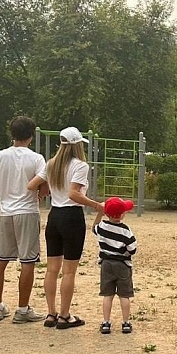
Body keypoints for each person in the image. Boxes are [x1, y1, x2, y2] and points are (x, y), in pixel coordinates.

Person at [28, 126, 104, 329]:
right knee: (68, 271)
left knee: (52, 269)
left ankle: (51, 313)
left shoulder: (51, 164)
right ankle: (64, 315)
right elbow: (74, 194)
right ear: (78, 145)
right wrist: (97, 205)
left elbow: (32, 185)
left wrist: (46, 189)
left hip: (54, 215)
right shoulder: (80, 165)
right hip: (71, 216)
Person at [0, 116, 46, 324]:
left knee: (1, 259)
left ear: (11, 134)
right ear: (31, 136)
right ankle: (22, 309)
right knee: (28, 261)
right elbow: (41, 185)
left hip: (6, 212)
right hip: (27, 210)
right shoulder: (36, 158)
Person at [92, 197, 137, 334]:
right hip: (122, 265)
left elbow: (94, 228)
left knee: (108, 295)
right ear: (122, 214)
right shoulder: (125, 230)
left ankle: (106, 323)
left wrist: (100, 212)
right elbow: (132, 249)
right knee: (124, 295)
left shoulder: (102, 227)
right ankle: (125, 323)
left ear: (107, 213)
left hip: (106, 264)